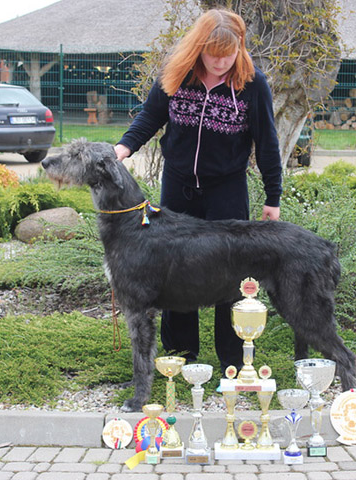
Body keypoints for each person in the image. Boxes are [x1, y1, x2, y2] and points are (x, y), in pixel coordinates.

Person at [114, 8, 282, 374]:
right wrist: (124, 148)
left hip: (227, 190)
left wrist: (273, 198)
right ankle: (181, 356)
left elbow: (267, 143)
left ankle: (233, 361)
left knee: (231, 271)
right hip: (177, 187)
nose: (221, 62)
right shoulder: (177, 75)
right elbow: (149, 117)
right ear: (198, 48)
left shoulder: (253, 85)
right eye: (213, 54)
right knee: (175, 269)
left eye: (229, 53)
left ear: (240, 47)